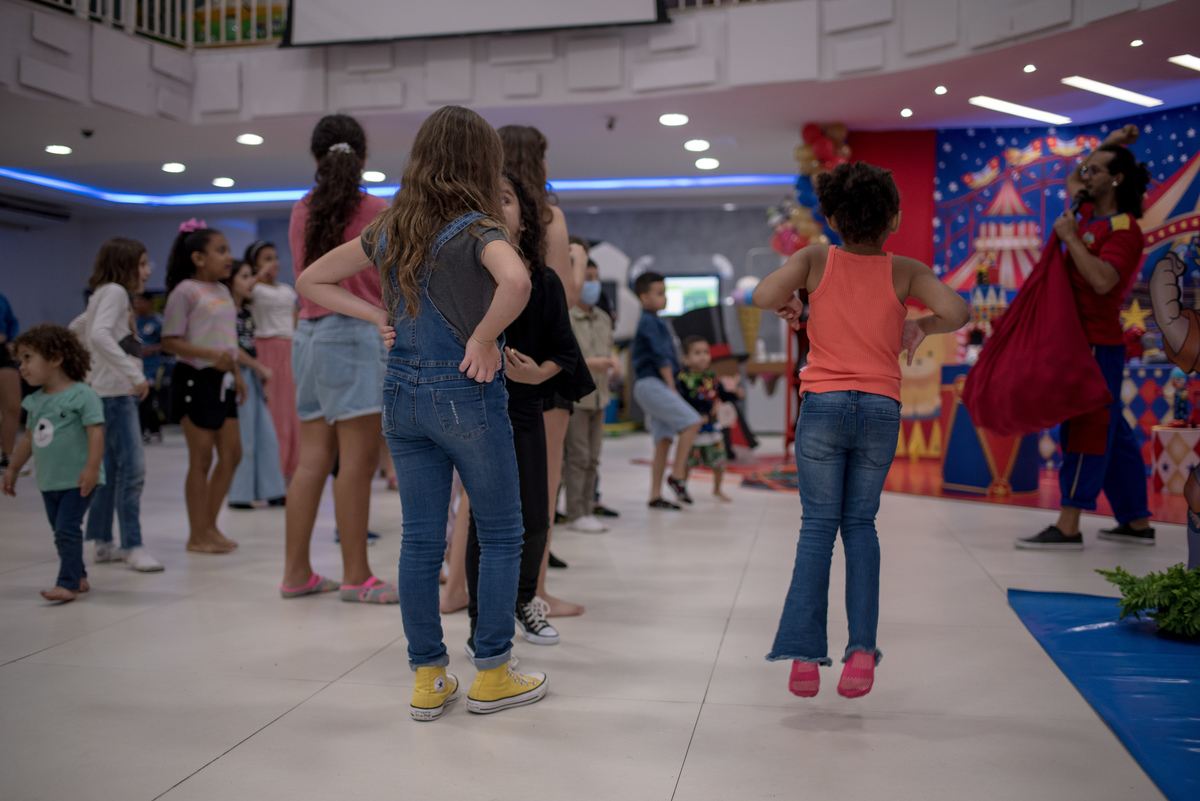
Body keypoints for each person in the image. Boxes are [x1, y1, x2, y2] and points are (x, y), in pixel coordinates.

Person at [297, 104, 548, 719]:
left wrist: (378, 316)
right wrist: (485, 338)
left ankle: (428, 678)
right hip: (466, 393)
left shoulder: (390, 228)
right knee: (501, 532)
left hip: (401, 397)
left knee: (418, 542)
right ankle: (492, 672)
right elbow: (517, 283)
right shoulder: (477, 229)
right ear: (481, 163)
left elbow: (311, 280)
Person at [755, 161, 969, 699]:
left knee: (815, 529)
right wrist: (920, 323)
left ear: (830, 217)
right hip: (880, 408)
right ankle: (860, 655)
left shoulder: (811, 259)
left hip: (823, 405)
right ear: (893, 219)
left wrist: (793, 297)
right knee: (861, 527)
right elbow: (958, 310)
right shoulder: (907, 270)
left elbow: (761, 296)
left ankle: (804, 659)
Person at [465, 172, 592, 646]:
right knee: (483, 521)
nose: (499, 208)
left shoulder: (543, 281)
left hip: (524, 409)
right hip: (474, 412)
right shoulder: (464, 280)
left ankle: (524, 601)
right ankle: (480, 624)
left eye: (507, 200)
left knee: (535, 514)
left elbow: (565, 352)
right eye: (487, 200)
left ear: (523, 220)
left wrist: (537, 374)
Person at [1016, 126, 1154, 551]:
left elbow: (1102, 280)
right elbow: (1077, 176)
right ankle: (1136, 522)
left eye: (1096, 171)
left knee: (1086, 429)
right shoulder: (1090, 212)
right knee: (1116, 434)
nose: (1084, 175)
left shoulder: (1124, 228)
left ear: (1116, 179)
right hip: (1082, 341)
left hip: (1096, 344)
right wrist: (1110, 141)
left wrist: (1071, 239)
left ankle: (1070, 523)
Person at [284, 114, 397, 604]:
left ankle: (297, 573)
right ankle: (356, 576)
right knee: (357, 463)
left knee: (313, 461)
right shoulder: (377, 208)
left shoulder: (300, 210)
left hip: (306, 337)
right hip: (354, 336)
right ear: (364, 157)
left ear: (315, 157)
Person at [499, 124, 587, 615]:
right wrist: (578, 258)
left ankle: (455, 589)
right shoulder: (547, 216)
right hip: (540, 364)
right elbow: (567, 295)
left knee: (480, 486)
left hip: (493, 358)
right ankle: (535, 592)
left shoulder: (480, 222)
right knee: (542, 482)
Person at [69, 238, 163, 572]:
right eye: (142, 263)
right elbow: (97, 335)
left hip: (105, 394)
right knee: (132, 471)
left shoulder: (103, 295)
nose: (148, 270)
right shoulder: (116, 293)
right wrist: (131, 374)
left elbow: (79, 329)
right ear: (125, 265)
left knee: (108, 471)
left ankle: (102, 541)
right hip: (116, 396)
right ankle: (132, 544)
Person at [2, 324, 105, 603]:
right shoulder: (35, 401)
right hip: (49, 481)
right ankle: (79, 574)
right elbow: (28, 439)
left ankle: (67, 583)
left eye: (28, 358)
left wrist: (93, 468)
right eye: (19, 360)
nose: (21, 366)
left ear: (56, 358)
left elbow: (96, 432)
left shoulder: (83, 395)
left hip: (78, 479)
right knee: (61, 531)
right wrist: (12, 467)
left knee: (65, 529)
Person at [161, 221, 245, 555]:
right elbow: (169, 341)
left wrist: (236, 372)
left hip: (223, 380)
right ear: (198, 257)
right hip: (194, 378)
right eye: (221, 250)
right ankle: (197, 533)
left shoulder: (223, 290)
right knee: (202, 457)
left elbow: (228, 340)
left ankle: (208, 526)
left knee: (233, 454)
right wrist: (211, 355)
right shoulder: (184, 291)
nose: (229, 257)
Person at [632, 271, 702, 509]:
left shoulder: (657, 321)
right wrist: (671, 387)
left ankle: (654, 496)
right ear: (644, 298)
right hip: (653, 384)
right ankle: (678, 475)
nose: (665, 298)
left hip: (652, 385)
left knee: (663, 441)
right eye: (659, 294)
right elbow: (661, 357)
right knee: (692, 422)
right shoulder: (650, 322)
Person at [223, 260, 287, 509]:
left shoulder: (247, 313)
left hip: (252, 377)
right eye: (245, 277)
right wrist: (259, 367)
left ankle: (272, 489)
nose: (252, 282)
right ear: (230, 282)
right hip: (236, 376)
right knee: (245, 437)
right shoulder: (226, 311)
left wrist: (260, 376)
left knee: (266, 435)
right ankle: (240, 494)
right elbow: (230, 346)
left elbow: (249, 345)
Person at [563, 258, 619, 532]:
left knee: (593, 457)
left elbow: (609, 349)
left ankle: (588, 507)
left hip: (600, 395)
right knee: (578, 457)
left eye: (595, 277)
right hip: (576, 398)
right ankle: (575, 512)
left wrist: (612, 361)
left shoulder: (603, 318)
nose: (592, 283)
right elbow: (563, 358)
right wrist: (591, 363)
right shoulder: (566, 316)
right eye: (586, 276)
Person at [246, 241, 301, 481]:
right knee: (273, 412)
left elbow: (296, 321)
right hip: (265, 349)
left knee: (292, 413)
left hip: (290, 348)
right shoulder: (252, 288)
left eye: (275, 257)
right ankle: (271, 473)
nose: (274, 263)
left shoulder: (287, 290)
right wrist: (256, 277)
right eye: (267, 258)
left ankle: (291, 470)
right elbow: (240, 295)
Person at [677, 335, 739, 503]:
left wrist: (734, 394)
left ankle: (717, 489)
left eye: (705, 352)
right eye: (697, 353)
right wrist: (706, 407)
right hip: (693, 430)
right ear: (686, 359)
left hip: (713, 428)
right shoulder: (683, 379)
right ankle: (682, 489)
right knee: (687, 462)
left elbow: (722, 394)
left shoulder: (712, 377)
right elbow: (687, 399)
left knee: (719, 460)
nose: (703, 356)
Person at [133, 293, 166, 443]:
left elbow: (168, 343)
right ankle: (146, 430)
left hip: (153, 367)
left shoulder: (158, 321)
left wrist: (151, 349)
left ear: (149, 302)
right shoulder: (132, 320)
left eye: (141, 301)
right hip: (134, 367)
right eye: (136, 301)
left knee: (149, 399)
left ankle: (149, 430)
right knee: (138, 399)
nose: (138, 304)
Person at [1, 292, 23, 472]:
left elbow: (12, 321)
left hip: (3, 352)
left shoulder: (1, 299)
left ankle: (7, 458)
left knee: (13, 406)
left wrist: (11, 339)